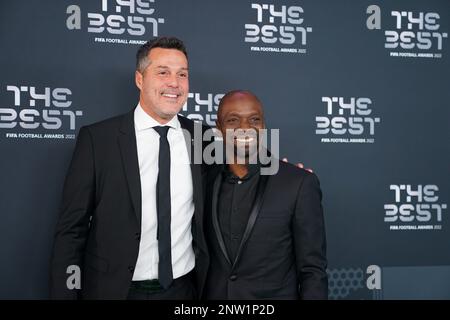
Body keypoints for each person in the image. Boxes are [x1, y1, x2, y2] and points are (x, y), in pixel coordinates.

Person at [50, 37, 209, 299]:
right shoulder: (98, 140)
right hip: (115, 291)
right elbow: (71, 230)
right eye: (163, 72)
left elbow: (246, 165)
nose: (174, 83)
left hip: (182, 291)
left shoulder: (202, 138)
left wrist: (290, 173)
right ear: (139, 79)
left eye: (182, 74)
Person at [203, 90, 328, 299]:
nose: (245, 129)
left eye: (254, 119)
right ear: (219, 129)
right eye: (233, 120)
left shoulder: (298, 183)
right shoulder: (203, 182)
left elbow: (312, 270)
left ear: (263, 126)